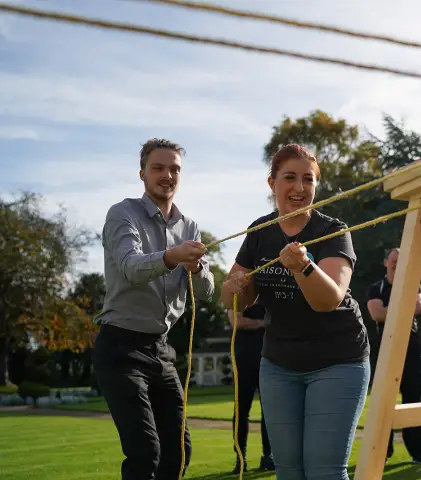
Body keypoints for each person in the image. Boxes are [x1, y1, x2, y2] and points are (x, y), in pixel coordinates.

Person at [221, 144, 370, 480]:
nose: (300, 188)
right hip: (279, 363)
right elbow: (234, 298)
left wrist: (304, 267)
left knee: (324, 471)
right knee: (288, 470)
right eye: (290, 177)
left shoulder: (333, 231)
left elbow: (328, 299)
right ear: (272, 182)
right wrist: (234, 287)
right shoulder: (259, 232)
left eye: (308, 179)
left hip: (338, 359)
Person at [92, 138, 215, 479]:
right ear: (142, 174)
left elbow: (205, 292)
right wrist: (173, 257)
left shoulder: (189, 226)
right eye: (158, 168)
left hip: (161, 350)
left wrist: (198, 268)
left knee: (178, 453)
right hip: (120, 348)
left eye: (175, 169)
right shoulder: (122, 213)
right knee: (145, 453)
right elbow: (131, 268)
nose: (167, 175)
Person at [367, 248, 421, 464]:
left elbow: (419, 306)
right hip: (386, 348)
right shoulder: (376, 288)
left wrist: (390, 309)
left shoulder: (414, 285)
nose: (397, 263)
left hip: (411, 349)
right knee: (384, 400)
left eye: (401, 261)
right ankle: (383, 451)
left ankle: (418, 451)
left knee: (415, 399)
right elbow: (376, 314)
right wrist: (404, 308)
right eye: (393, 260)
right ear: (386, 262)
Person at [226, 302, 274, 473]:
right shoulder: (239, 291)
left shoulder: (269, 293)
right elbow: (236, 321)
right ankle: (240, 459)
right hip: (243, 359)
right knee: (241, 411)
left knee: (269, 411)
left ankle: (268, 456)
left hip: (269, 358)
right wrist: (264, 323)